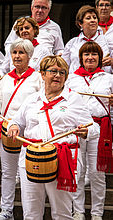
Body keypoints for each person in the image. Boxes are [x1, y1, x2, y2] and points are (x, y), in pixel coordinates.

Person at [7, 55, 99, 220]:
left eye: (62, 73)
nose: (58, 75)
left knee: (62, 213)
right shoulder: (32, 99)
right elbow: (16, 121)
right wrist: (13, 127)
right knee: (31, 213)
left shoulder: (73, 99)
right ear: (42, 74)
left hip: (61, 159)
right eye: (53, 71)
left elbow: (93, 128)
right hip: (31, 158)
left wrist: (85, 132)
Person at [0, 38, 43, 220]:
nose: (17, 56)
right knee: (8, 173)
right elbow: (0, 101)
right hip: (7, 129)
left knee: (27, 174)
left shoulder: (38, 78)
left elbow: (41, 103)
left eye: (21, 53)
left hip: (28, 133)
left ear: (29, 56)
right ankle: (6, 210)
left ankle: (30, 213)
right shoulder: (5, 79)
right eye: (14, 52)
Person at [66, 42, 113, 220]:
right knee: (77, 171)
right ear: (81, 58)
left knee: (97, 173)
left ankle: (96, 214)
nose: (90, 58)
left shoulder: (108, 79)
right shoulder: (71, 78)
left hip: (100, 129)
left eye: (94, 54)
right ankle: (78, 212)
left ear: (100, 58)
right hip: (77, 128)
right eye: (86, 55)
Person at [0, 16, 51, 81]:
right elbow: (4, 68)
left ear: (34, 29)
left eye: (27, 28)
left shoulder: (44, 50)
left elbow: (47, 72)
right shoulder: (13, 50)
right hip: (14, 86)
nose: (24, 31)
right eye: (21, 29)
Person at [62, 5, 112, 75]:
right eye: (88, 18)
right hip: (76, 82)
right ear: (80, 23)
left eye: (94, 18)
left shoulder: (107, 41)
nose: (93, 20)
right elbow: (63, 66)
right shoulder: (72, 43)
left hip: (101, 82)